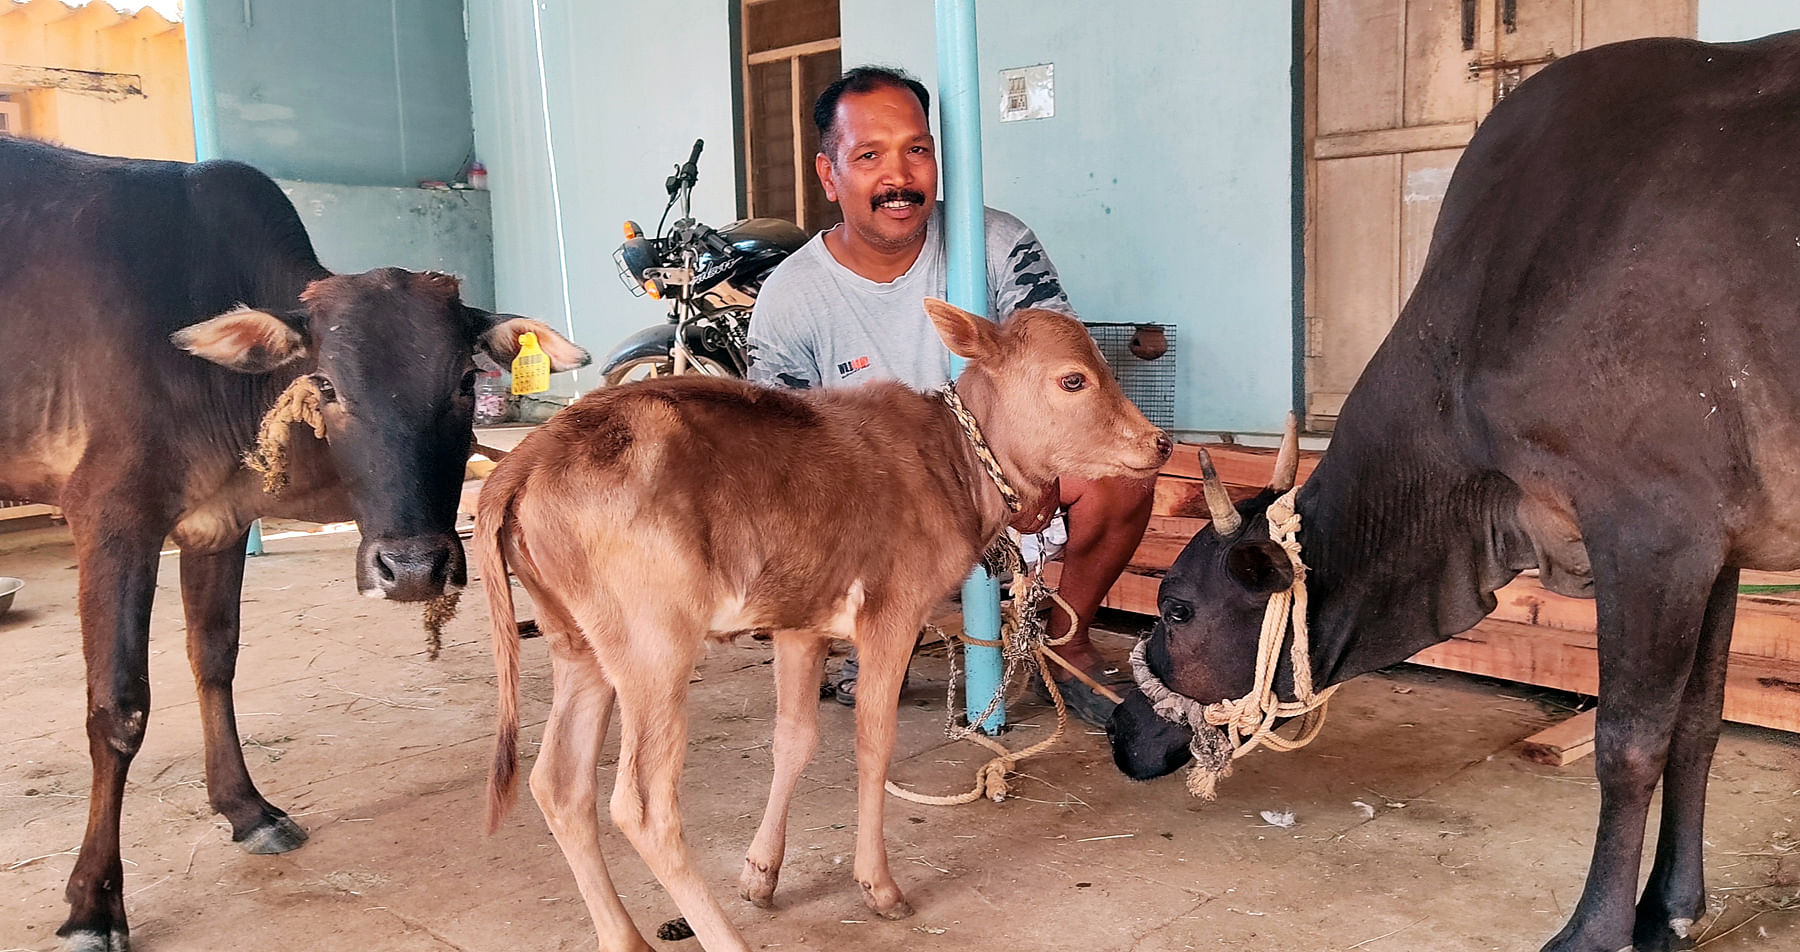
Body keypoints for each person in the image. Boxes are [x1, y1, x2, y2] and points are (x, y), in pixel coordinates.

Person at [746, 66, 1156, 727]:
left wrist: (1040, 475)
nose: (899, 177)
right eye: (869, 156)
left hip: (1004, 487)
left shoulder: (997, 244)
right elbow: (776, 457)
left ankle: (1067, 639)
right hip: (878, 518)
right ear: (829, 176)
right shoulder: (792, 298)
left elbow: (1064, 370)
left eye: (916, 150)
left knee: (1121, 477)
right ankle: (871, 637)